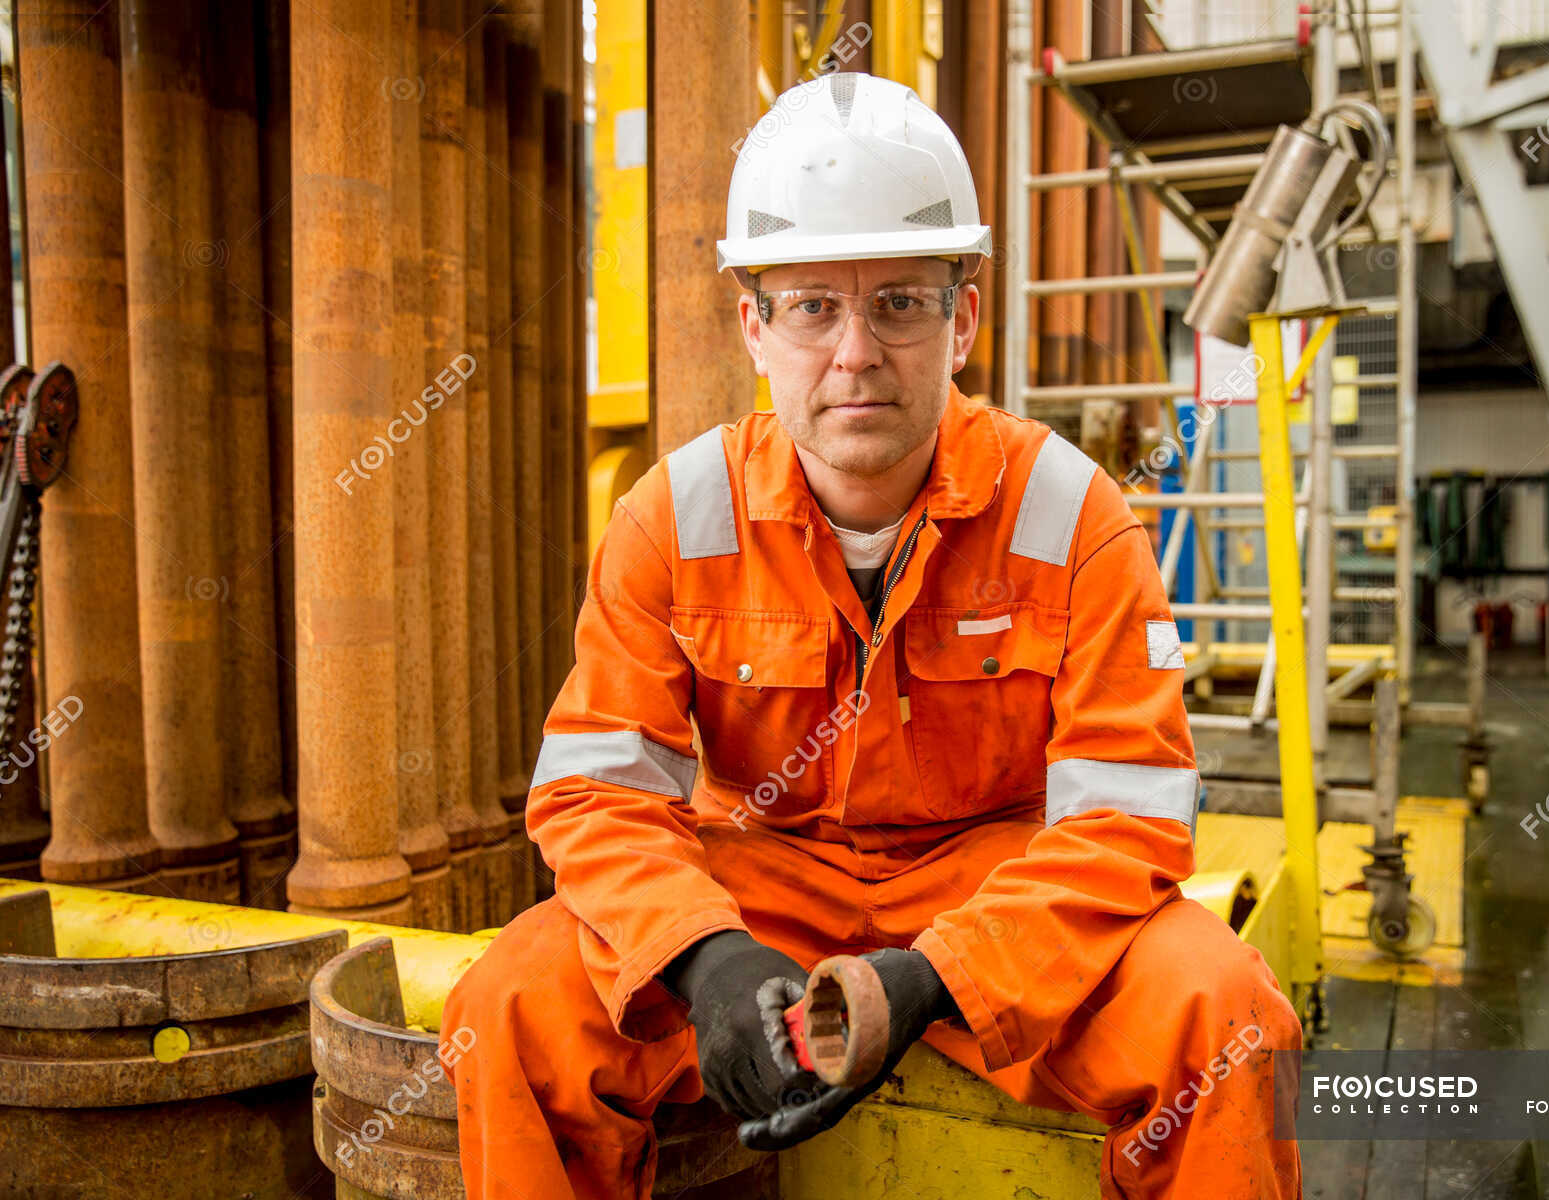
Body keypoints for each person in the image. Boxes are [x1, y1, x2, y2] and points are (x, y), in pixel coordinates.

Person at [442, 71, 1301, 1199]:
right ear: (754, 326)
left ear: (963, 322)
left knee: (1228, 1015)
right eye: (812, 306)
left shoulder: (1075, 516)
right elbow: (597, 797)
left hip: (1003, 901)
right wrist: (705, 960)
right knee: (514, 1006)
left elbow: (1126, 827)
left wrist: (934, 980)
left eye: (899, 301)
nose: (855, 353)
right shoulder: (671, 516)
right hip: (756, 892)